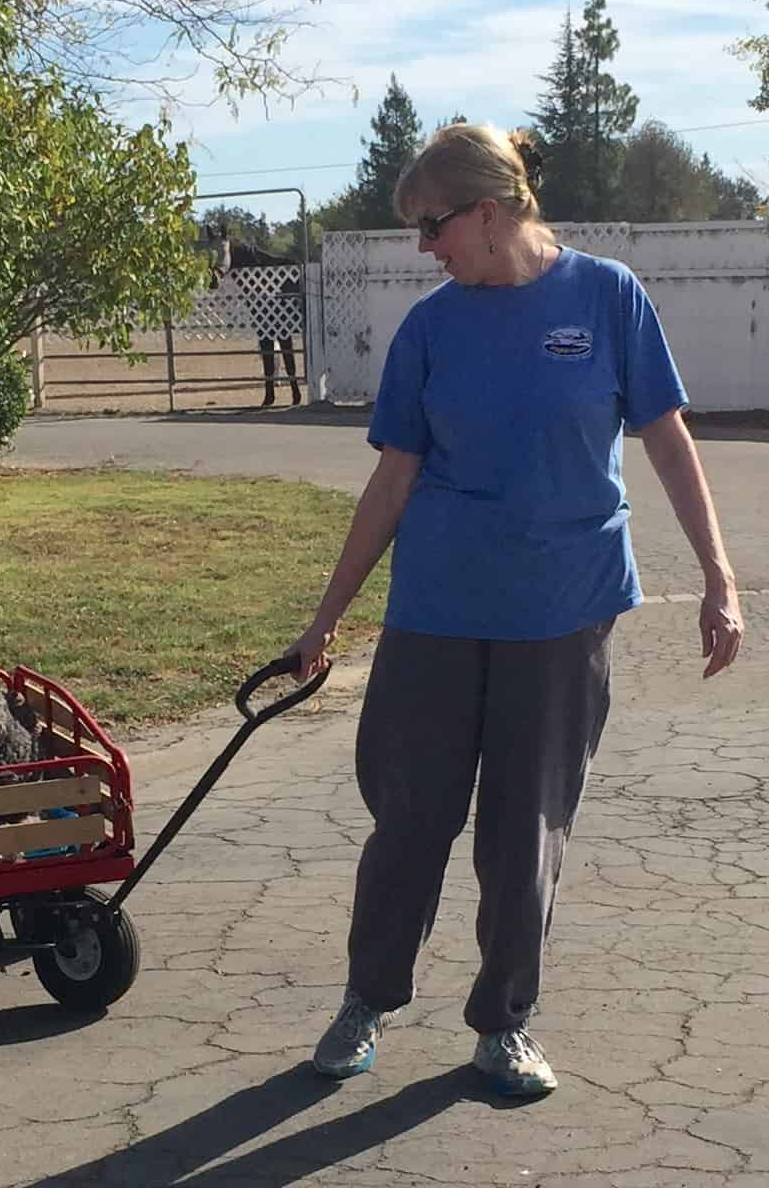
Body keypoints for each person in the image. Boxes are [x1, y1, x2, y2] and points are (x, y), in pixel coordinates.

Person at [289, 123, 743, 1097]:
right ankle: (367, 998)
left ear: (489, 213)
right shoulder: (431, 329)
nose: (425, 248)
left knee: (523, 828)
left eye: (432, 226)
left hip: (564, 610)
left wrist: (720, 578)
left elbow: (668, 443)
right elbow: (390, 483)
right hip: (438, 611)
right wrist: (326, 618)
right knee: (410, 817)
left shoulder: (609, 298)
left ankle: (504, 1024)